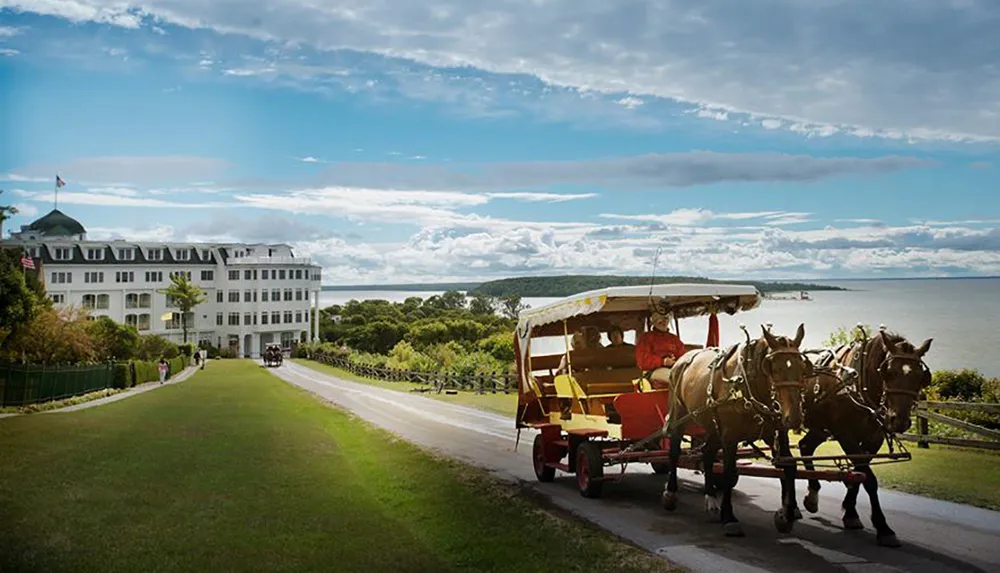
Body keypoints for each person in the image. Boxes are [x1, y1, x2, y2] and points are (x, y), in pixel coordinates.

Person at [635, 308, 686, 388]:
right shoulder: (646, 338)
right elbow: (642, 361)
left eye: (665, 319)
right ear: (654, 322)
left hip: (674, 368)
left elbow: (682, 355)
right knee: (675, 378)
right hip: (652, 372)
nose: (663, 322)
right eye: (659, 320)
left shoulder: (674, 339)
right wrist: (663, 361)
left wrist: (675, 361)